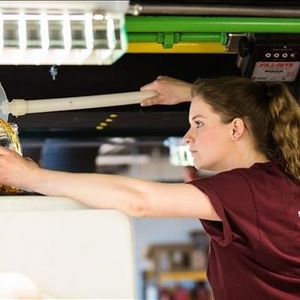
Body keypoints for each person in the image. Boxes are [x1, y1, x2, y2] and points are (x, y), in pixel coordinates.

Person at [0, 75, 299, 300]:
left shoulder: (252, 191)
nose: (187, 138)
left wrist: (31, 177)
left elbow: (139, 201)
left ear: (236, 129)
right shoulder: (278, 184)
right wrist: (190, 93)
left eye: (198, 124)